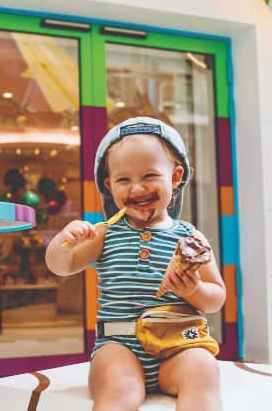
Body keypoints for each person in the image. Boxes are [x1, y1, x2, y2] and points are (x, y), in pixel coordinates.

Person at [45, 117, 226, 410]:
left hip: (178, 344)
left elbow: (216, 297)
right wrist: (62, 243)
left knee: (204, 369)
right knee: (120, 388)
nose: (137, 188)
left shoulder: (190, 237)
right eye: (123, 180)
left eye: (150, 175)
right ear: (109, 186)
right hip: (118, 345)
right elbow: (62, 266)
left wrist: (193, 291)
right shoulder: (104, 233)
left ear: (176, 177)